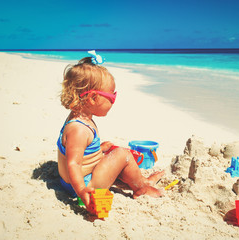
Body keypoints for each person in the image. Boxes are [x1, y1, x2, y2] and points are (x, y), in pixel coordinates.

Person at [57, 51, 164, 211]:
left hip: (71, 181)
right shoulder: (79, 129)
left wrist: (100, 150)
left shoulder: (77, 119)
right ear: (93, 98)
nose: (114, 101)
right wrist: (82, 192)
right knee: (123, 155)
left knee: (111, 155)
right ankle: (142, 188)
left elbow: (78, 153)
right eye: (112, 97)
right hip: (82, 185)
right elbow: (73, 163)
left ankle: (141, 180)